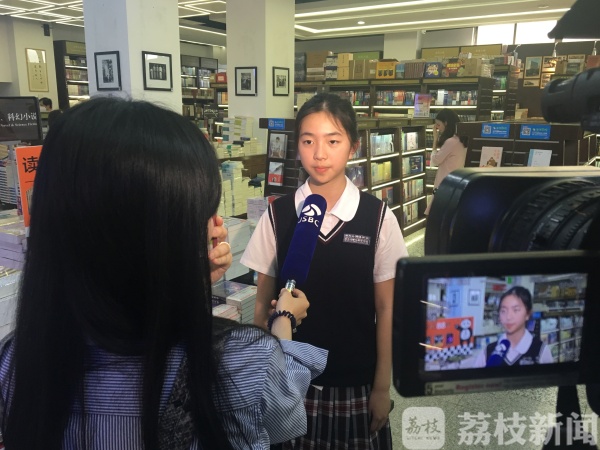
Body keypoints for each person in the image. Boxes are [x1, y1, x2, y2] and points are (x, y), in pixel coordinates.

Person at [0, 97, 327, 449]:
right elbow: (285, 413)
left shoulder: (16, 362)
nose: (217, 225)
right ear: (159, 234)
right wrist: (283, 320)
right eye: (199, 212)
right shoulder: (240, 362)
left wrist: (185, 280)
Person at [241, 93, 408, 449]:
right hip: (290, 382)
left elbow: (386, 308)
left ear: (353, 147)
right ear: (297, 147)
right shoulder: (278, 215)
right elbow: (261, 308)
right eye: (308, 141)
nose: (319, 154)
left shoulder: (378, 217)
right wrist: (262, 381)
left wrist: (382, 387)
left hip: (356, 382)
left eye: (333, 141)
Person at [473, 286, 554, 367]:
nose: (508, 317)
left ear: (527, 314)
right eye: (503, 311)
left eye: (516, 310)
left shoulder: (540, 351)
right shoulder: (488, 351)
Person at [424, 108, 467, 215]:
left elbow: (435, 160)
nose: (437, 128)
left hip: (445, 183)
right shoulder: (461, 140)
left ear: (446, 123)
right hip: (456, 181)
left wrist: (435, 139)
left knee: (438, 214)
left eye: (438, 124)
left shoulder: (451, 142)